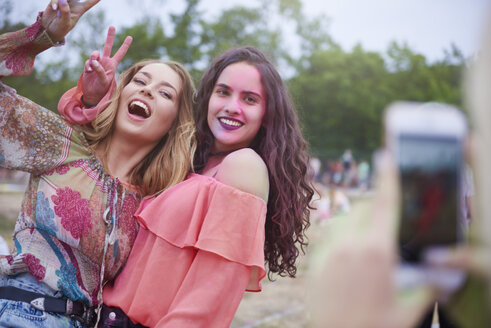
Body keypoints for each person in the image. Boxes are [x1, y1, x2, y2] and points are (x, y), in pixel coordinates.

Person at [65, 46, 314, 327]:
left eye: (250, 99)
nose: (232, 106)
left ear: (267, 114)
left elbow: (208, 300)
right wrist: (92, 98)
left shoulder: (243, 167)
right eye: (223, 92)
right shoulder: (185, 162)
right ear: (208, 98)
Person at [0, 2, 196, 327]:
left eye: (164, 93)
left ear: (174, 123)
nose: (147, 90)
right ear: (120, 94)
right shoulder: (62, 145)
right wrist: (42, 35)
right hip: (21, 313)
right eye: (139, 81)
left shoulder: (157, 202)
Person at [308, 9, 491, 328]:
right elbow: (473, 211)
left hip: (413, 249)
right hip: (451, 251)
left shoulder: (410, 169)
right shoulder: (461, 168)